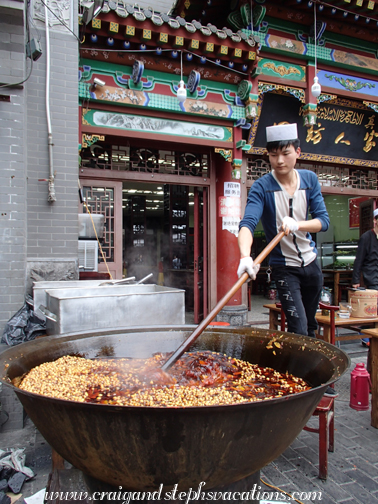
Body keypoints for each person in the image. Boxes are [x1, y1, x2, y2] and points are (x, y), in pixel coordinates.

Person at [237, 122, 336, 397]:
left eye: (285, 153)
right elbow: (247, 223)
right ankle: (304, 387)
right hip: (284, 270)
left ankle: (314, 378)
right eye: (273, 154)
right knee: (298, 327)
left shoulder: (310, 180)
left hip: (312, 267)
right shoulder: (262, 187)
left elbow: (324, 222)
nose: (279, 160)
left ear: (297, 152)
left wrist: (299, 224)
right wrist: (246, 256)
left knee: (312, 326)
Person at [352, 207, 378, 347]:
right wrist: (355, 280)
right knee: (372, 309)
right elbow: (359, 260)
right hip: (372, 278)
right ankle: (366, 335)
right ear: (375, 220)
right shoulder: (366, 237)